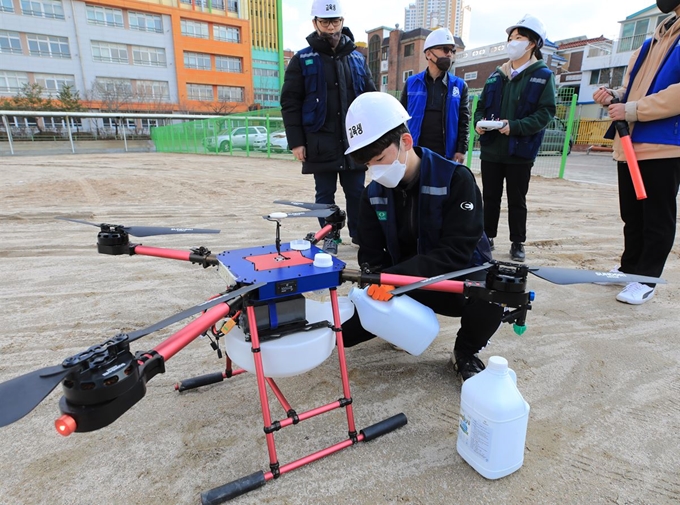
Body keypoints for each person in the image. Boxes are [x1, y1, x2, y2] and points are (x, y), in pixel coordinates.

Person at [340, 91, 503, 382]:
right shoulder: (373, 193)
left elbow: (456, 252)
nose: (375, 171)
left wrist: (392, 279)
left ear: (405, 142)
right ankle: (398, 326)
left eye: (379, 158)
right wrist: (375, 284)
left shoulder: (455, 179)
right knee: (346, 336)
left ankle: (465, 352)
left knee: (494, 292)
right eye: (367, 165)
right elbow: (371, 254)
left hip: (452, 280)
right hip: (402, 284)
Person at [592, 0, 680, 305]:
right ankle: (630, 268)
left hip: (664, 144)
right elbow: (631, 88)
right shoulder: (651, 41)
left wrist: (633, 109)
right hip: (629, 141)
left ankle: (646, 278)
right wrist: (614, 96)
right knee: (632, 214)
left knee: (657, 215)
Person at [280, 0, 376, 254]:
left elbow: (371, 97)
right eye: (325, 22)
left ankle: (359, 234)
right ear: (315, 23)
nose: (331, 27)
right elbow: (290, 102)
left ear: (342, 21)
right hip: (319, 140)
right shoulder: (303, 59)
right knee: (324, 193)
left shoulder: (357, 58)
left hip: (354, 140)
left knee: (357, 191)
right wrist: (296, 141)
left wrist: (376, 136)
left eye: (335, 21)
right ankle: (330, 235)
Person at [474, 14, 556, 262]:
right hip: (492, 150)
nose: (513, 42)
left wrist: (516, 126)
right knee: (490, 196)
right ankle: (487, 237)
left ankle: (517, 241)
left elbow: (546, 112)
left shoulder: (542, 75)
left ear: (532, 43)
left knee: (517, 199)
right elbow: (481, 106)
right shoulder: (496, 75)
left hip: (520, 150)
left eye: (518, 38)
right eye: (511, 38)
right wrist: (479, 123)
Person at [400, 27, 469, 164]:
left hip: (446, 155)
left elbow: (464, 121)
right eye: (444, 49)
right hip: (415, 152)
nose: (449, 54)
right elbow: (400, 117)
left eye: (451, 50)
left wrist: (461, 149)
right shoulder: (411, 83)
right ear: (428, 54)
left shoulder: (459, 86)